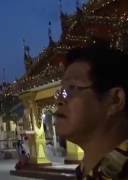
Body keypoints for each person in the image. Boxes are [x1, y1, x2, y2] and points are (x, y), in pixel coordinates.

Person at [54, 42, 128, 179]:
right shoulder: (86, 173)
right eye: (61, 91)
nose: (59, 100)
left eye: (72, 87)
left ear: (115, 100)